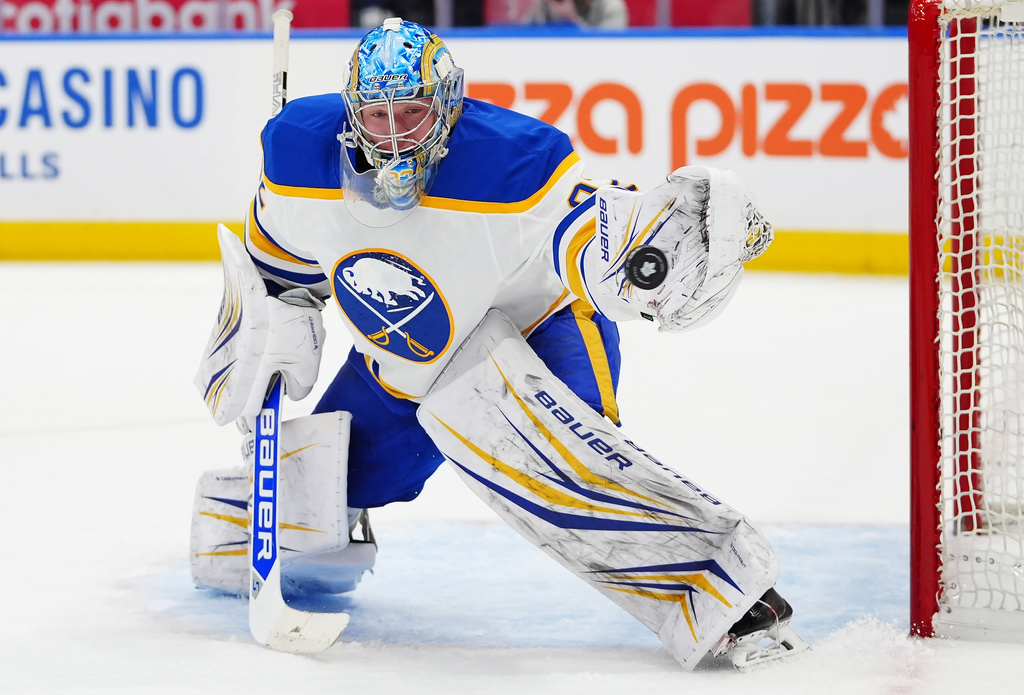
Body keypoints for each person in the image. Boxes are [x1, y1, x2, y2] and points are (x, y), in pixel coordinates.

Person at [191, 17, 804, 670]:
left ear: (448, 104)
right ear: (352, 112)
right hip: (402, 361)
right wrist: (278, 317)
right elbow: (278, 265)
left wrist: (642, 255)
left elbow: (587, 238)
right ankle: (248, 535)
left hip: (539, 330)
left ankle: (725, 592)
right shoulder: (296, 152)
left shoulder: (517, 160)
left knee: (553, 462)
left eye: (414, 112)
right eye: (377, 115)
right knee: (333, 480)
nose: (394, 135)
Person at [526, 0, 629, 28]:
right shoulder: (550, 4)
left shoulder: (611, 5)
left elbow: (609, 48)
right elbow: (526, 37)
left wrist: (572, 21)